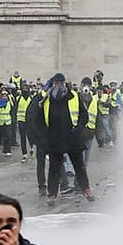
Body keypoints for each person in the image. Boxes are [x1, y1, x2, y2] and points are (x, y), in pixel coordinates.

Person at [35, 73, 93, 202]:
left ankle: (86, 189)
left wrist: (78, 130)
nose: (59, 85)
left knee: (79, 166)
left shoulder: (74, 97)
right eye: (56, 82)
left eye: (61, 82)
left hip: (72, 137)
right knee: (54, 169)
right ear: (53, 84)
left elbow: (84, 116)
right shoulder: (46, 99)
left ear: (64, 83)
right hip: (55, 139)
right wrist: (46, 134)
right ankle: (52, 194)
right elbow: (38, 119)